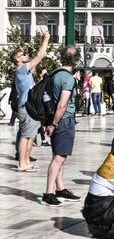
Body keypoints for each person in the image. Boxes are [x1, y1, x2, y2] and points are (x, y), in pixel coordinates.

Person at [43, 46, 83, 206]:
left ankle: (60, 188)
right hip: (63, 120)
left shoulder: (55, 73)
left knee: (60, 155)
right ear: (77, 60)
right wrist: (54, 124)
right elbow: (62, 104)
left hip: (56, 119)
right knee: (59, 158)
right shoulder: (68, 79)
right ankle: (48, 192)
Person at [12, 31, 50, 172]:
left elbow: (40, 56)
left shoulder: (26, 71)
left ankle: (26, 162)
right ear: (18, 60)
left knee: (31, 137)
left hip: (30, 107)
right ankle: (22, 163)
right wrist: (45, 39)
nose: (26, 55)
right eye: (23, 55)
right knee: (25, 136)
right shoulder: (21, 70)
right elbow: (39, 56)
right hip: (25, 107)